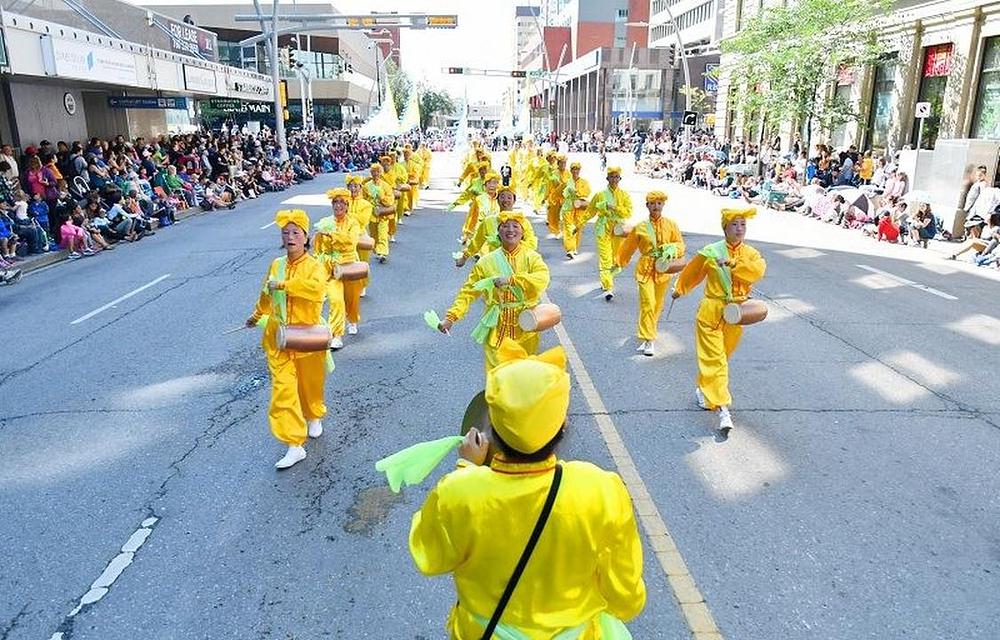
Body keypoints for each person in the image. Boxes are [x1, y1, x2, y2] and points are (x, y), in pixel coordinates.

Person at [408, 340, 646, 638]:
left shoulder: (458, 492)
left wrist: (466, 469)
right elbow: (626, 595)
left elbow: (428, 556)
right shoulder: (600, 489)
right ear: (563, 425)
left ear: (490, 428)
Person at [245, 209, 330, 469]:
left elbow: (316, 291)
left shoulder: (315, 266)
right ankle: (295, 444)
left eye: (296, 232)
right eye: (286, 233)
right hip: (280, 337)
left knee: (310, 385)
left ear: (306, 238)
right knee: (283, 390)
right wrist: (257, 314)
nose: (290, 237)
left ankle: (314, 414)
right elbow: (266, 292)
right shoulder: (277, 265)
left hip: (307, 337)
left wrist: (285, 286)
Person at [672, 206, 767, 435]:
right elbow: (692, 272)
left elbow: (757, 271)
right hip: (711, 312)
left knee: (721, 357)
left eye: (743, 224)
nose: (739, 229)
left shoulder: (750, 254)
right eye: (734, 224)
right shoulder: (711, 252)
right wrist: (679, 289)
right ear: (724, 227)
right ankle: (723, 409)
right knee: (717, 362)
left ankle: (705, 391)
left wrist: (735, 266)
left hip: (736, 313)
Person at [438, 210, 550, 372]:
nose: (510, 230)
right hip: (497, 327)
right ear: (498, 231)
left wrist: (512, 280)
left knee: (523, 376)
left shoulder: (532, 257)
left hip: (526, 326)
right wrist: (451, 317)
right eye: (505, 226)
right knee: (497, 377)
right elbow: (468, 292)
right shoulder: (486, 262)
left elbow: (542, 278)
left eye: (515, 226)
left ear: (522, 232)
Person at [617, 191, 686, 357]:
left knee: (657, 305)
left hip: (663, 269)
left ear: (663, 205)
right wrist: (618, 263)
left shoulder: (671, 224)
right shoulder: (640, 227)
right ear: (647, 205)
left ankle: (646, 332)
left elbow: (681, 245)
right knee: (648, 302)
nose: (656, 207)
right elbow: (628, 247)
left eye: (659, 203)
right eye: (653, 203)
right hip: (645, 270)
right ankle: (649, 339)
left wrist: (672, 248)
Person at [314, 188, 362, 350]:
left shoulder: (353, 222)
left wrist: (332, 235)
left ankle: (353, 319)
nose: (338, 205)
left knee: (352, 299)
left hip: (349, 266)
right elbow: (318, 247)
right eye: (335, 202)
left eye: (342, 202)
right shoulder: (325, 222)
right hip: (330, 268)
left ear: (347, 206)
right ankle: (336, 334)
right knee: (335, 300)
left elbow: (351, 241)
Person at [457, 185, 537, 267]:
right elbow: (476, 242)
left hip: (518, 265)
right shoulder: (489, 221)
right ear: (497, 200)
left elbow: (532, 243)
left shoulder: (522, 221)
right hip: (495, 266)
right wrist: (464, 257)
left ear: (514, 201)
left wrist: (515, 246)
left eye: (509, 198)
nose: (505, 200)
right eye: (502, 197)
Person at [587, 167, 633, 301]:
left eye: (616, 177)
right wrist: (579, 224)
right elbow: (590, 211)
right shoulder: (600, 195)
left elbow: (628, 212)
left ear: (620, 179)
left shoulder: (624, 195)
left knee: (617, 259)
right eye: (611, 177)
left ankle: (607, 278)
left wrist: (614, 208)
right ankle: (608, 286)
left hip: (618, 229)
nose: (614, 179)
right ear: (607, 179)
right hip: (603, 228)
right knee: (605, 257)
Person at [346, 175, 375, 296]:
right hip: (346, 234)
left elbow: (363, 220)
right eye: (350, 186)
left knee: (363, 262)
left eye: (355, 186)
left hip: (360, 234)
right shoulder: (344, 201)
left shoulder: (366, 204)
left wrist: (348, 215)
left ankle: (363, 285)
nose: (353, 189)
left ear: (360, 187)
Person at [363, 162, 396, 263]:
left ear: (380, 173)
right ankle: (377, 250)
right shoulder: (366, 186)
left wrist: (382, 197)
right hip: (372, 214)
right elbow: (364, 199)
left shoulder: (386, 186)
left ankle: (383, 253)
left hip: (383, 214)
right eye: (373, 172)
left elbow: (390, 200)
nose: (376, 174)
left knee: (382, 233)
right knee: (374, 234)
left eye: (378, 172)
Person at [561, 161, 592, 258]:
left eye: (577, 169)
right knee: (569, 228)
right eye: (573, 169)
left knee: (578, 228)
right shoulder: (567, 182)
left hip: (580, 207)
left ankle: (574, 248)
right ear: (570, 170)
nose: (575, 171)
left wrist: (577, 193)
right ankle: (570, 249)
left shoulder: (584, 182)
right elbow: (560, 192)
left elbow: (587, 192)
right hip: (568, 208)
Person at [544, 154, 570, 239]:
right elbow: (549, 186)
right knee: (555, 216)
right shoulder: (554, 173)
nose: (563, 165)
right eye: (561, 163)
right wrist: (546, 197)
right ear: (558, 164)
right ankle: (557, 230)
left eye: (564, 163)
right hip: (555, 198)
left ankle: (565, 231)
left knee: (565, 214)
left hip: (565, 198)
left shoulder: (568, 173)